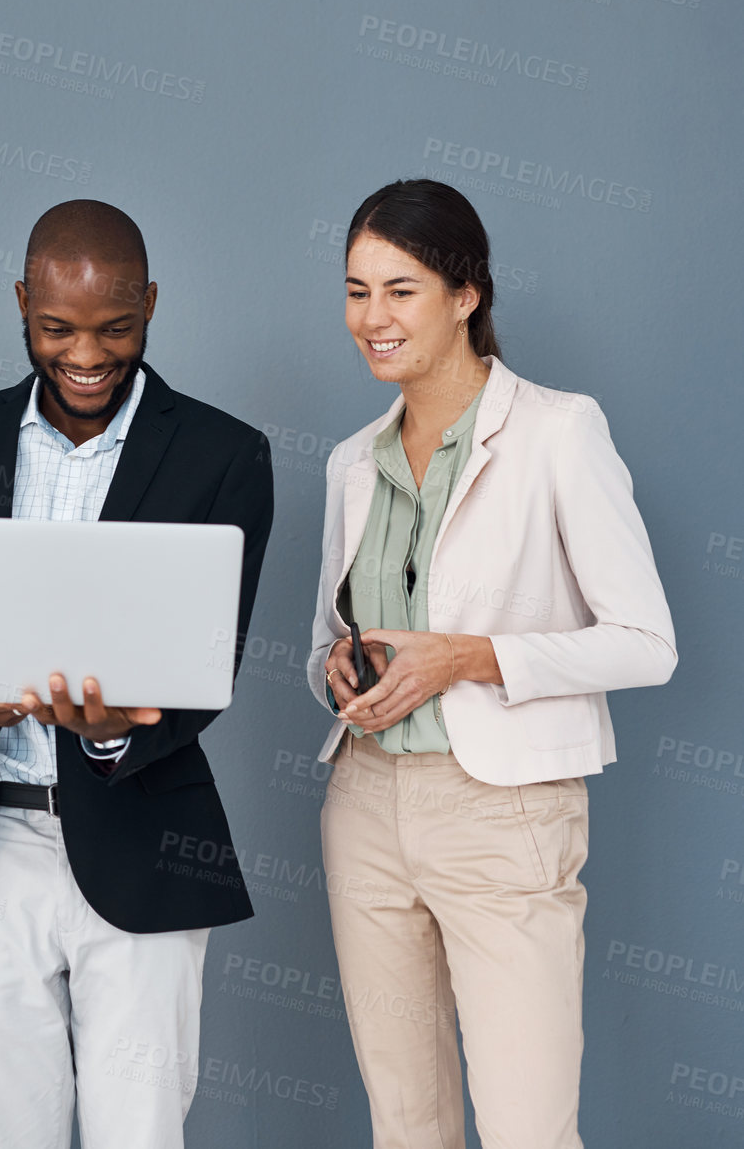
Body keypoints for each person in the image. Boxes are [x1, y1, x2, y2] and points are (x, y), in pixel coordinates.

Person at [0, 199, 274, 1149]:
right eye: (57, 327)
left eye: (115, 328)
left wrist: (118, 731)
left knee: (140, 1134)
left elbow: (211, 663)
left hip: (147, 838)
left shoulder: (225, 454)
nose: (86, 353)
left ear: (152, 307)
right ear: (20, 303)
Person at [308, 179, 676, 1148]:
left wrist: (467, 656)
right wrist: (337, 671)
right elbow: (323, 640)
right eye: (355, 291)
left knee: (524, 1129)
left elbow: (645, 643)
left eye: (399, 289)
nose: (371, 318)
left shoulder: (557, 430)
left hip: (504, 811)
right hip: (364, 803)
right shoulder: (352, 459)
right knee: (404, 1123)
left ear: (465, 293)